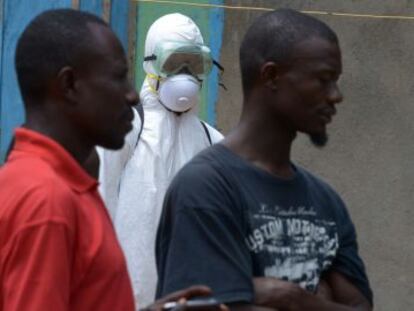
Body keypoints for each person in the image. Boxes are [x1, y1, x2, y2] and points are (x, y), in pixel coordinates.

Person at [0, 9, 218, 311]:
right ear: (69, 85)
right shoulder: (46, 202)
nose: (131, 95)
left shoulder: (65, 187)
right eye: (118, 78)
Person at [156, 8, 373, 311]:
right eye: (323, 80)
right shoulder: (206, 188)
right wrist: (320, 297)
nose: (336, 96)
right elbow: (205, 306)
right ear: (271, 76)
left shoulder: (326, 201)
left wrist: (290, 297)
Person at [98, 13, 223, 307]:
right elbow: (99, 203)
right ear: (151, 63)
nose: (185, 74)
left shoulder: (213, 142)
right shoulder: (124, 128)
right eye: (174, 63)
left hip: (188, 299)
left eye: (194, 65)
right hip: (125, 296)